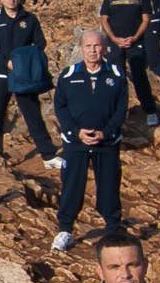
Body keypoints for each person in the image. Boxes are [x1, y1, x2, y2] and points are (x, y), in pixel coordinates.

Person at [51, 30, 128, 251]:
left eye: (97, 46)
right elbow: (61, 107)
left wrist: (107, 132)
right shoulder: (68, 75)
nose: (93, 51)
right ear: (81, 48)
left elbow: (121, 108)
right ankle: (65, 230)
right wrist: (76, 132)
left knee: (109, 185)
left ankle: (113, 229)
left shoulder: (116, 74)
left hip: (107, 143)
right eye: (88, 46)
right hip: (76, 143)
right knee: (72, 186)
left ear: (104, 48)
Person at [0, 0, 61, 168]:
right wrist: (5, 62)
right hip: (0, 74)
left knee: (32, 113)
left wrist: (24, 61)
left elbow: (40, 43)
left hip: (24, 75)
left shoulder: (30, 19)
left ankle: (48, 155)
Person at [99, 0, 159, 128]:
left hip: (135, 42)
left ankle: (150, 110)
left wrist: (135, 37)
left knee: (140, 76)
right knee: (115, 77)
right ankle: (117, 112)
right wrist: (114, 38)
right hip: (115, 43)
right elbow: (104, 19)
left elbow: (146, 19)